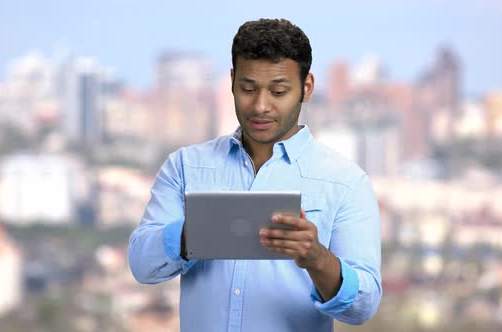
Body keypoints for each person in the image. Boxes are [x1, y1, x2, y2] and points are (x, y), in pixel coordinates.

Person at [128, 18, 381, 332]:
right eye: (248, 89)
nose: (260, 106)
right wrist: (194, 234)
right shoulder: (185, 167)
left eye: (278, 91)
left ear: (307, 88)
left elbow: (363, 305)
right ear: (233, 82)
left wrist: (317, 258)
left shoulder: (345, 183)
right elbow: (141, 264)